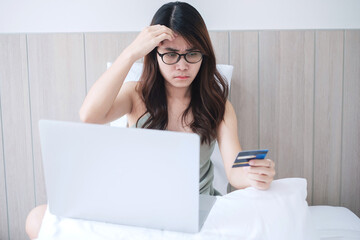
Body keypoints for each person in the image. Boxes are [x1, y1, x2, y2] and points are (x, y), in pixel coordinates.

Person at [25, 2, 275, 239]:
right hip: (136, 206)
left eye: (192, 54)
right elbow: (89, 116)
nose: (182, 65)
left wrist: (253, 175)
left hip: (194, 210)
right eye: (170, 54)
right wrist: (131, 52)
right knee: (36, 220)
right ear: (155, 54)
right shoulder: (136, 94)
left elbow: (234, 169)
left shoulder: (218, 105)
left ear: (204, 55)